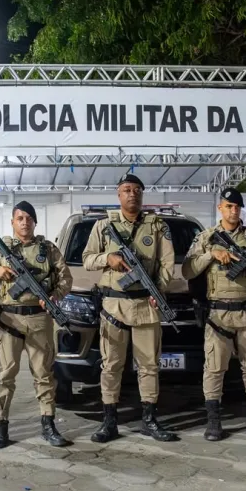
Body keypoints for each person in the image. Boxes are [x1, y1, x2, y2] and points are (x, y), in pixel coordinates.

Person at [82, 173, 179, 443]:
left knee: (149, 365)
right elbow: (87, 259)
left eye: (137, 189)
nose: (132, 194)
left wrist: (157, 289)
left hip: (145, 305)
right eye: (126, 189)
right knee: (111, 365)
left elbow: (167, 262)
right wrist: (108, 258)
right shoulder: (103, 226)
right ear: (118, 194)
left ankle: (149, 419)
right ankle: (109, 422)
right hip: (114, 306)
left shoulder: (157, 225)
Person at [182, 189, 246, 441]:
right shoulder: (206, 238)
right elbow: (187, 271)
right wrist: (210, 255)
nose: (233, 211)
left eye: (237, 206)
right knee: (215, 369)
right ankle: (213, 422)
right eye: (228, 206)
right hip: (219, 314)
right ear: (220, 208)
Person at [0, 201, 74, 448]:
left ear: (35, 222)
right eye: (20, 218)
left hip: (39, 319)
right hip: (9, 319)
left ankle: (48, 424)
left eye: (29, 218)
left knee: (44, 375)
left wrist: (55, 296)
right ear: (12, 222)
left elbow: (65, 278)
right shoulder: (0, 251)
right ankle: (1, 427)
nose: (24, 222)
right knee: (6, 375)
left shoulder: (48, 249)